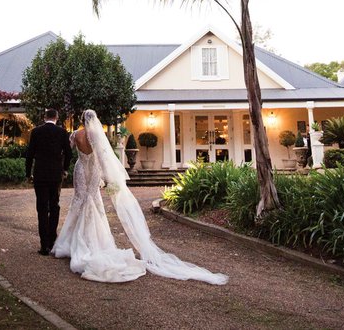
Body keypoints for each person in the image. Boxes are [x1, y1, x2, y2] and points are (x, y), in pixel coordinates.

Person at [52, 109, 228, 285]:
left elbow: (66, 152)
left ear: (82, 120)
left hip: (80, 169)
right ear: (95, 120)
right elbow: (103, 157)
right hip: (94, 170)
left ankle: (69, 240)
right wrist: (109, 178)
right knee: (93, 200)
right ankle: (92, 240)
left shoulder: (75, 134)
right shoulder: (96, 135)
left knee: (79, 200)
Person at [26, 108, 72, 256]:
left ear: (45, 117)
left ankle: (44, 245)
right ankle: (52, 240)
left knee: (41, 208)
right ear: (57, 118)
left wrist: (28, 174)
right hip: (55, 176)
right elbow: (69, 153)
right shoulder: (62, 132)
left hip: (40, 175)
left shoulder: (36, 132)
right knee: (54, 206)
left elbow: (30, 155)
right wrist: (64, 169)